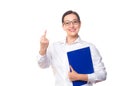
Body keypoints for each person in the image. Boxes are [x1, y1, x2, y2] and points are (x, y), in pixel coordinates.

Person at [37, 10, 107, 86]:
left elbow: (102, 75)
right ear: (63, 26)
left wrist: (80, 77)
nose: (71, 26)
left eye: (75, 22)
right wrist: (43, 48)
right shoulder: (55, 47)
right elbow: (43, 65)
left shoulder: (89, 47)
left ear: (80, 24)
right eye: (67, 23)